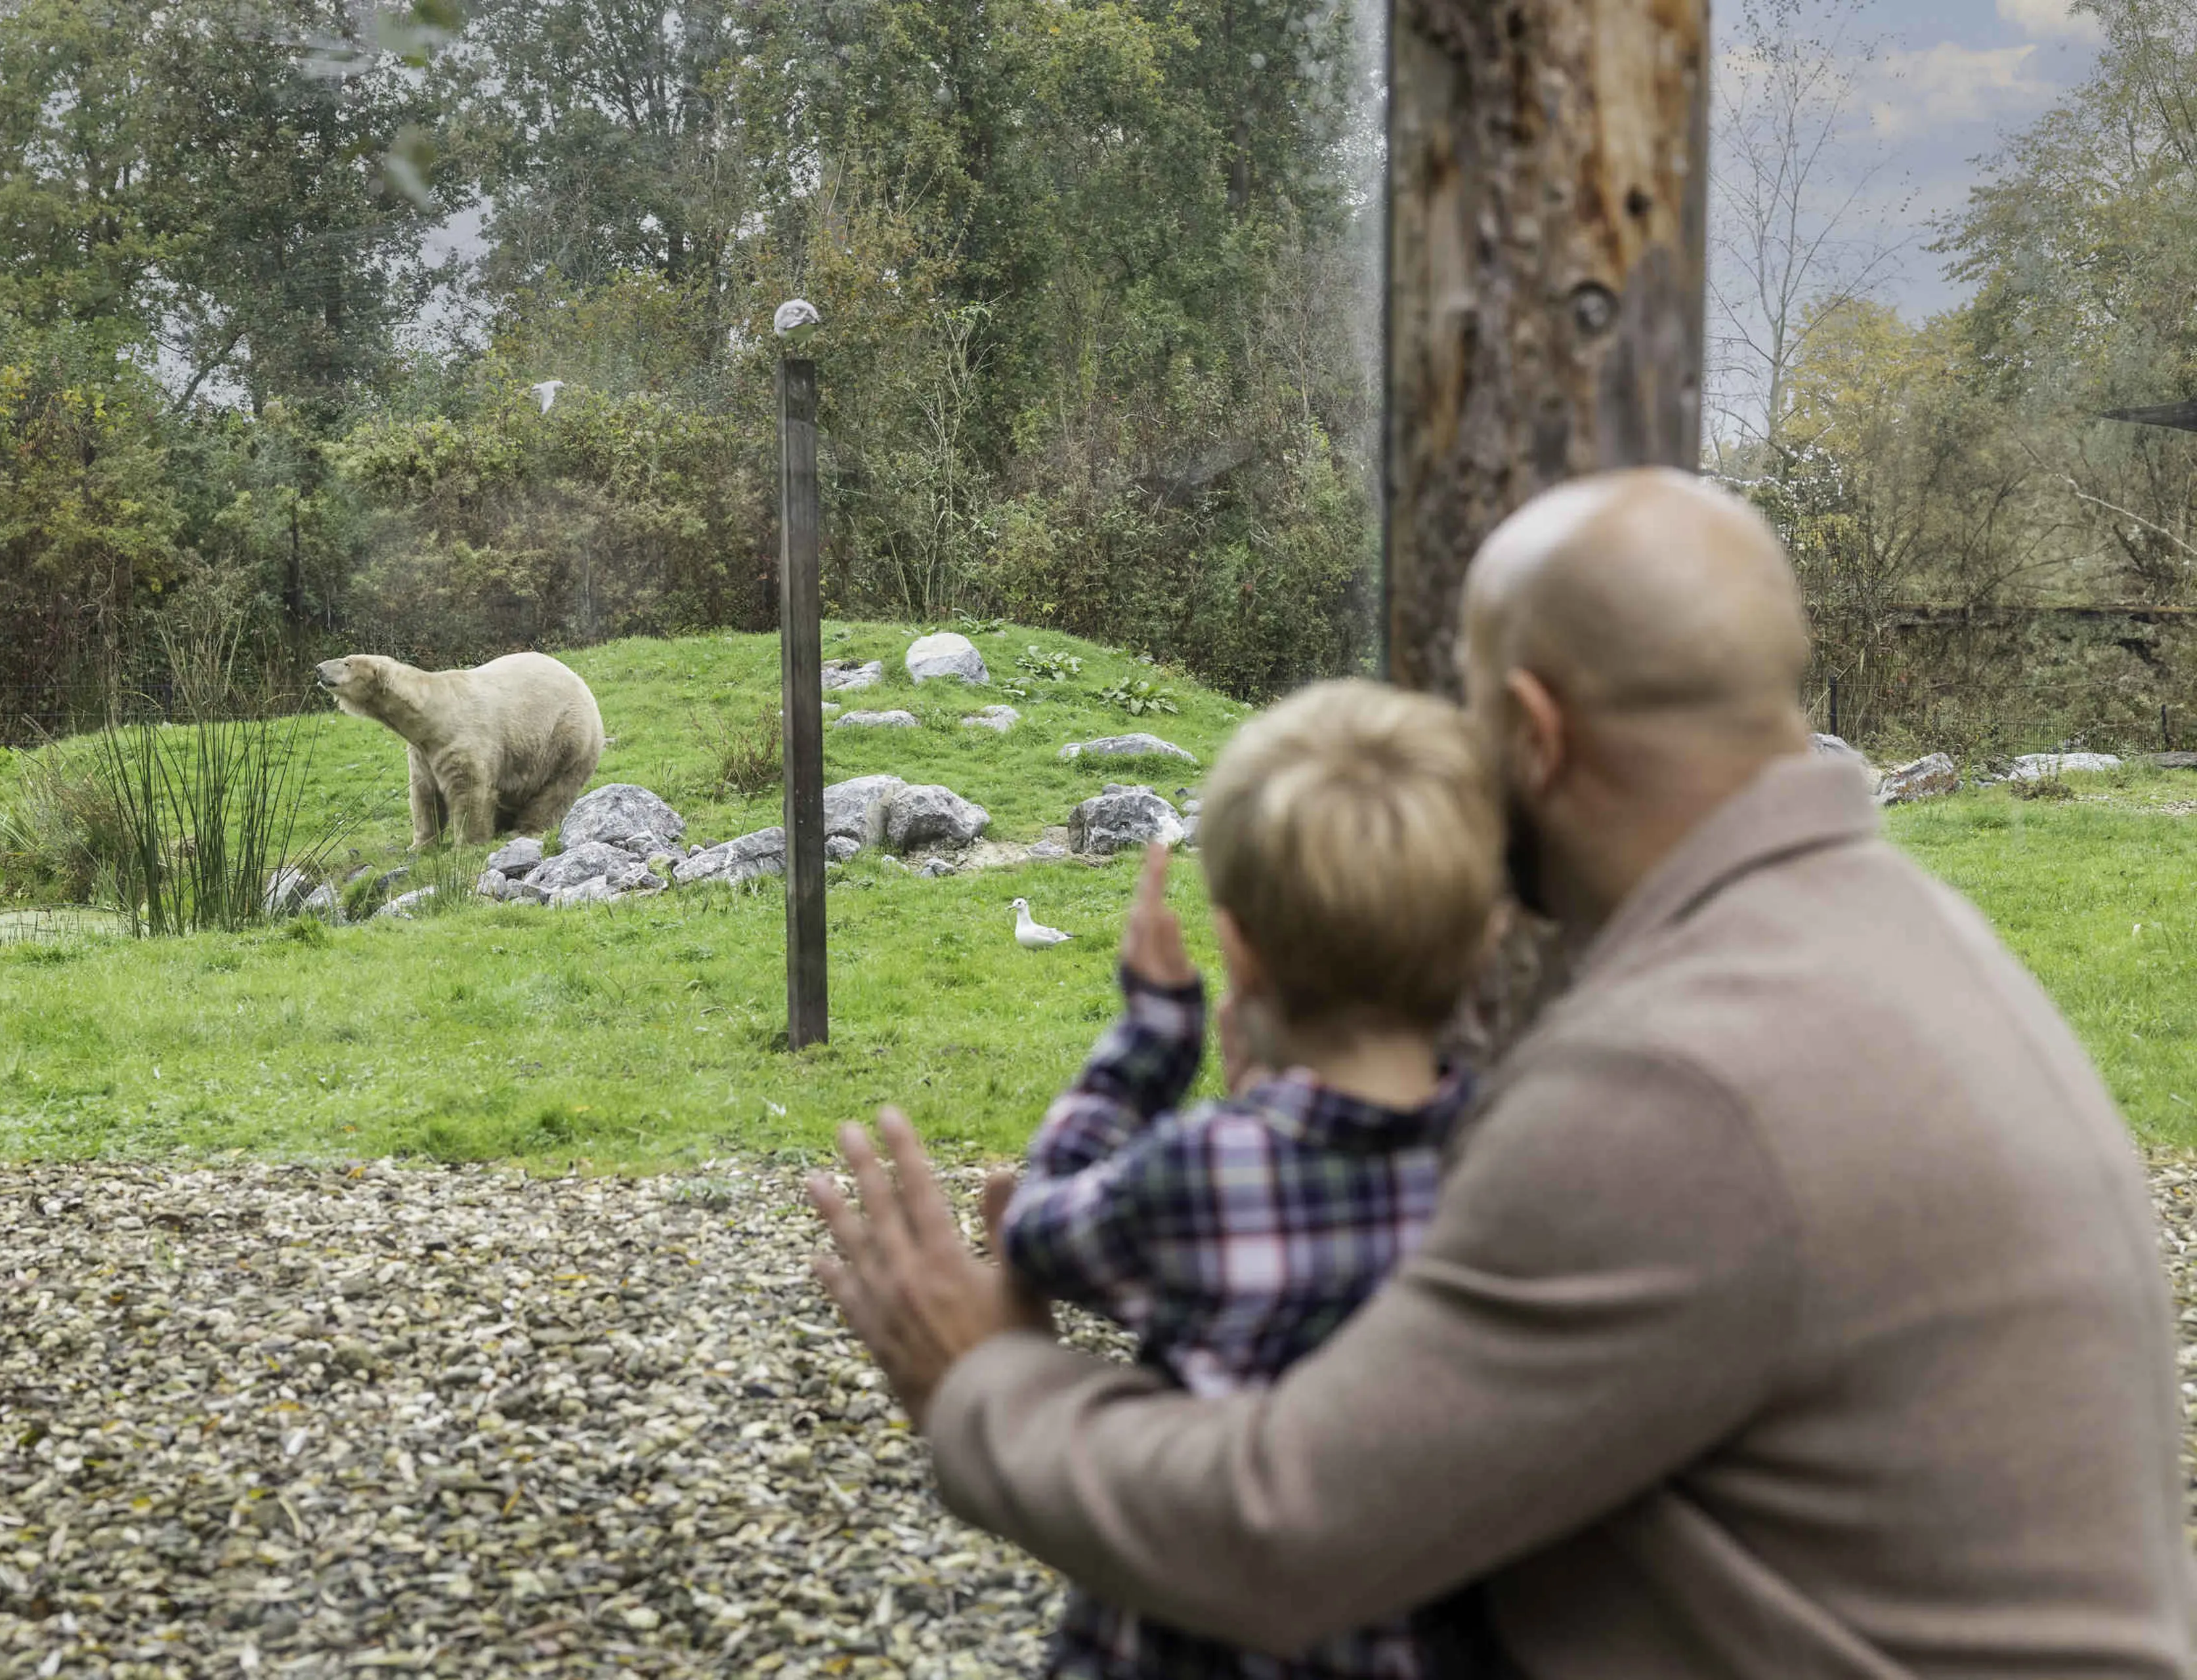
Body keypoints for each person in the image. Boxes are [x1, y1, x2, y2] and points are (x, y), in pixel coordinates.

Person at [805, 468, 2197, 1679]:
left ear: (1532, 730)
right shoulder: (1892, 936)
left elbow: (1286, 1528)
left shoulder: (1680, 1078)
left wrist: (983, 1381)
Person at [1001, 678, 1499, 1679]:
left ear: (1238, 951)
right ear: (1488, 943)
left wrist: (1152, 1037)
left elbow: (1036, 1228)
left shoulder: (1203, 1172)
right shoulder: (1519, 1167)